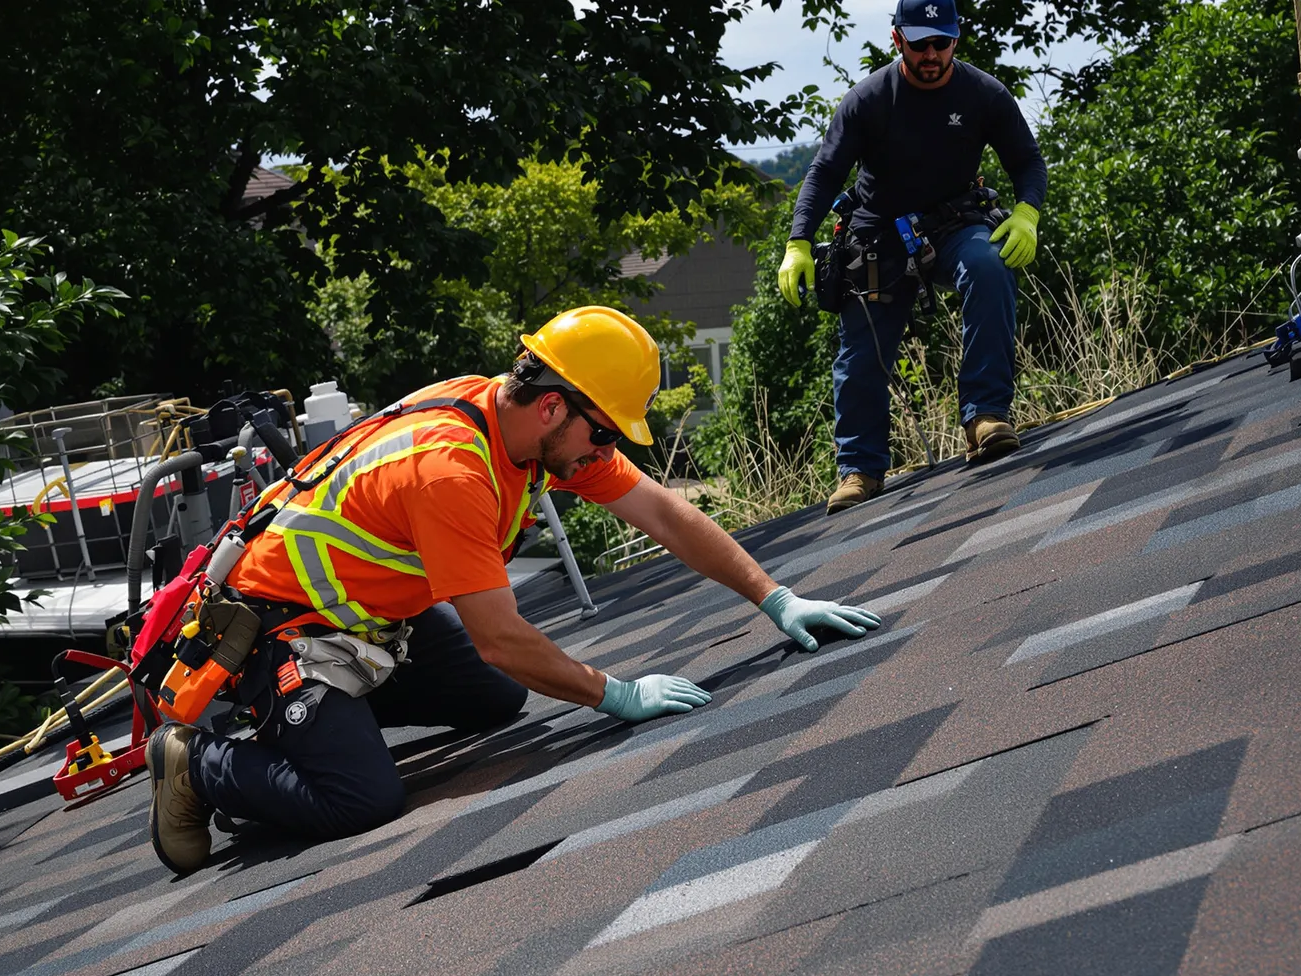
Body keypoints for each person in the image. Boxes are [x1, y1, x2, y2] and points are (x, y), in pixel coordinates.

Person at [145, 305, 884, 874]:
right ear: (556, 405)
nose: (607, 452)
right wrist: (613, 693)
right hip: (280, 635)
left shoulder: (528, 430)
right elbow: (500, 637)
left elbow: (664, 512)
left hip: (368, 622)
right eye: (605, 435)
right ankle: (198, 761)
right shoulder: (452, 469)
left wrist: (776, 598)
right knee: (360, 800)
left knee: (497, 701)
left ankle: (318, 730)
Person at [778, 0, 1048, 513]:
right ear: (896, 37)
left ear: (955, 39)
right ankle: (860, 468)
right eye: (919, 42)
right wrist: (798, 242)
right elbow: (825, 172)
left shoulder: (983, 94)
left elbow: (1027, 161)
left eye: (940, 43)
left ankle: (985, 417)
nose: (930, 54)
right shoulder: (868, 100)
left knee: (989, 268)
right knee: (861, 352)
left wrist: (1027, 212)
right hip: (876, 234)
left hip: (955, 222)